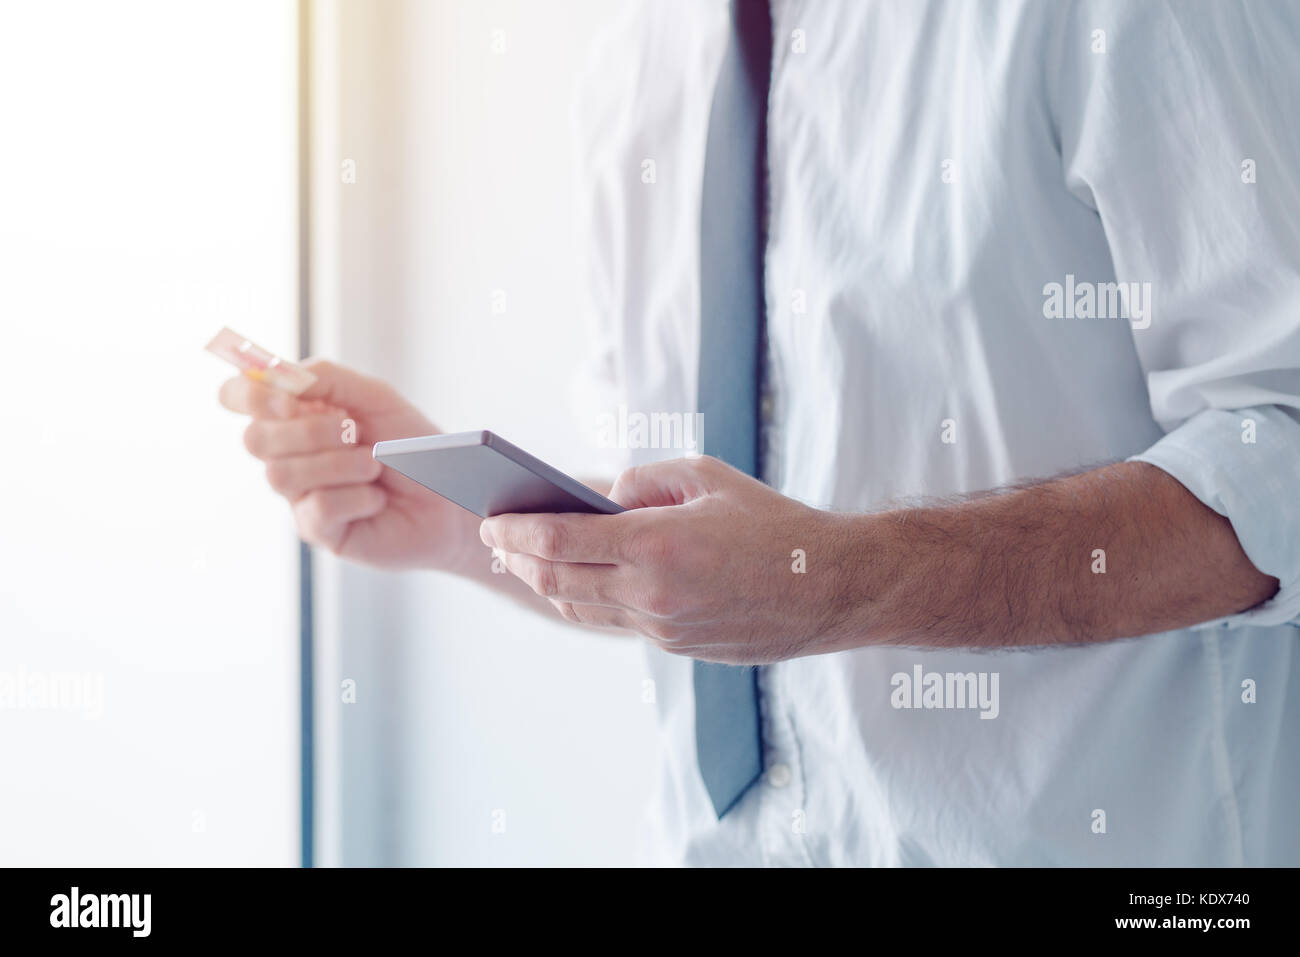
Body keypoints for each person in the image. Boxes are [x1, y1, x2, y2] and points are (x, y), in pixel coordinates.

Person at [220, 0, 1300, 866]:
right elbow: (696, 561)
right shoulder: (633, 71)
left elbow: (1277, 449)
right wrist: (465, 525)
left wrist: (835, 578)